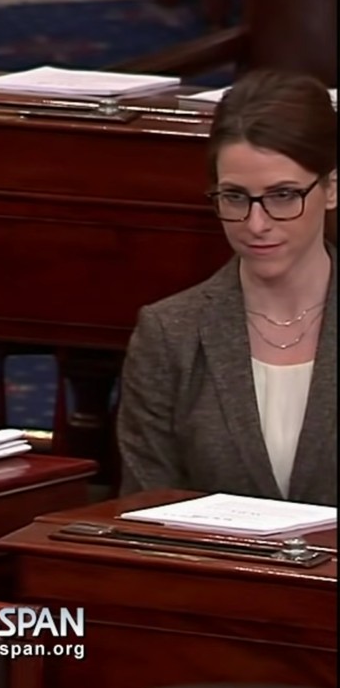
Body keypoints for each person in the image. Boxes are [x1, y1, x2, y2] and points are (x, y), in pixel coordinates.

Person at [117, 68, 336, 505]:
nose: (256, 225)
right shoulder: (170, 333)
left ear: (331, 188)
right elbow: (146, 513)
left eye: (283, 196)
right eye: (234, 197)